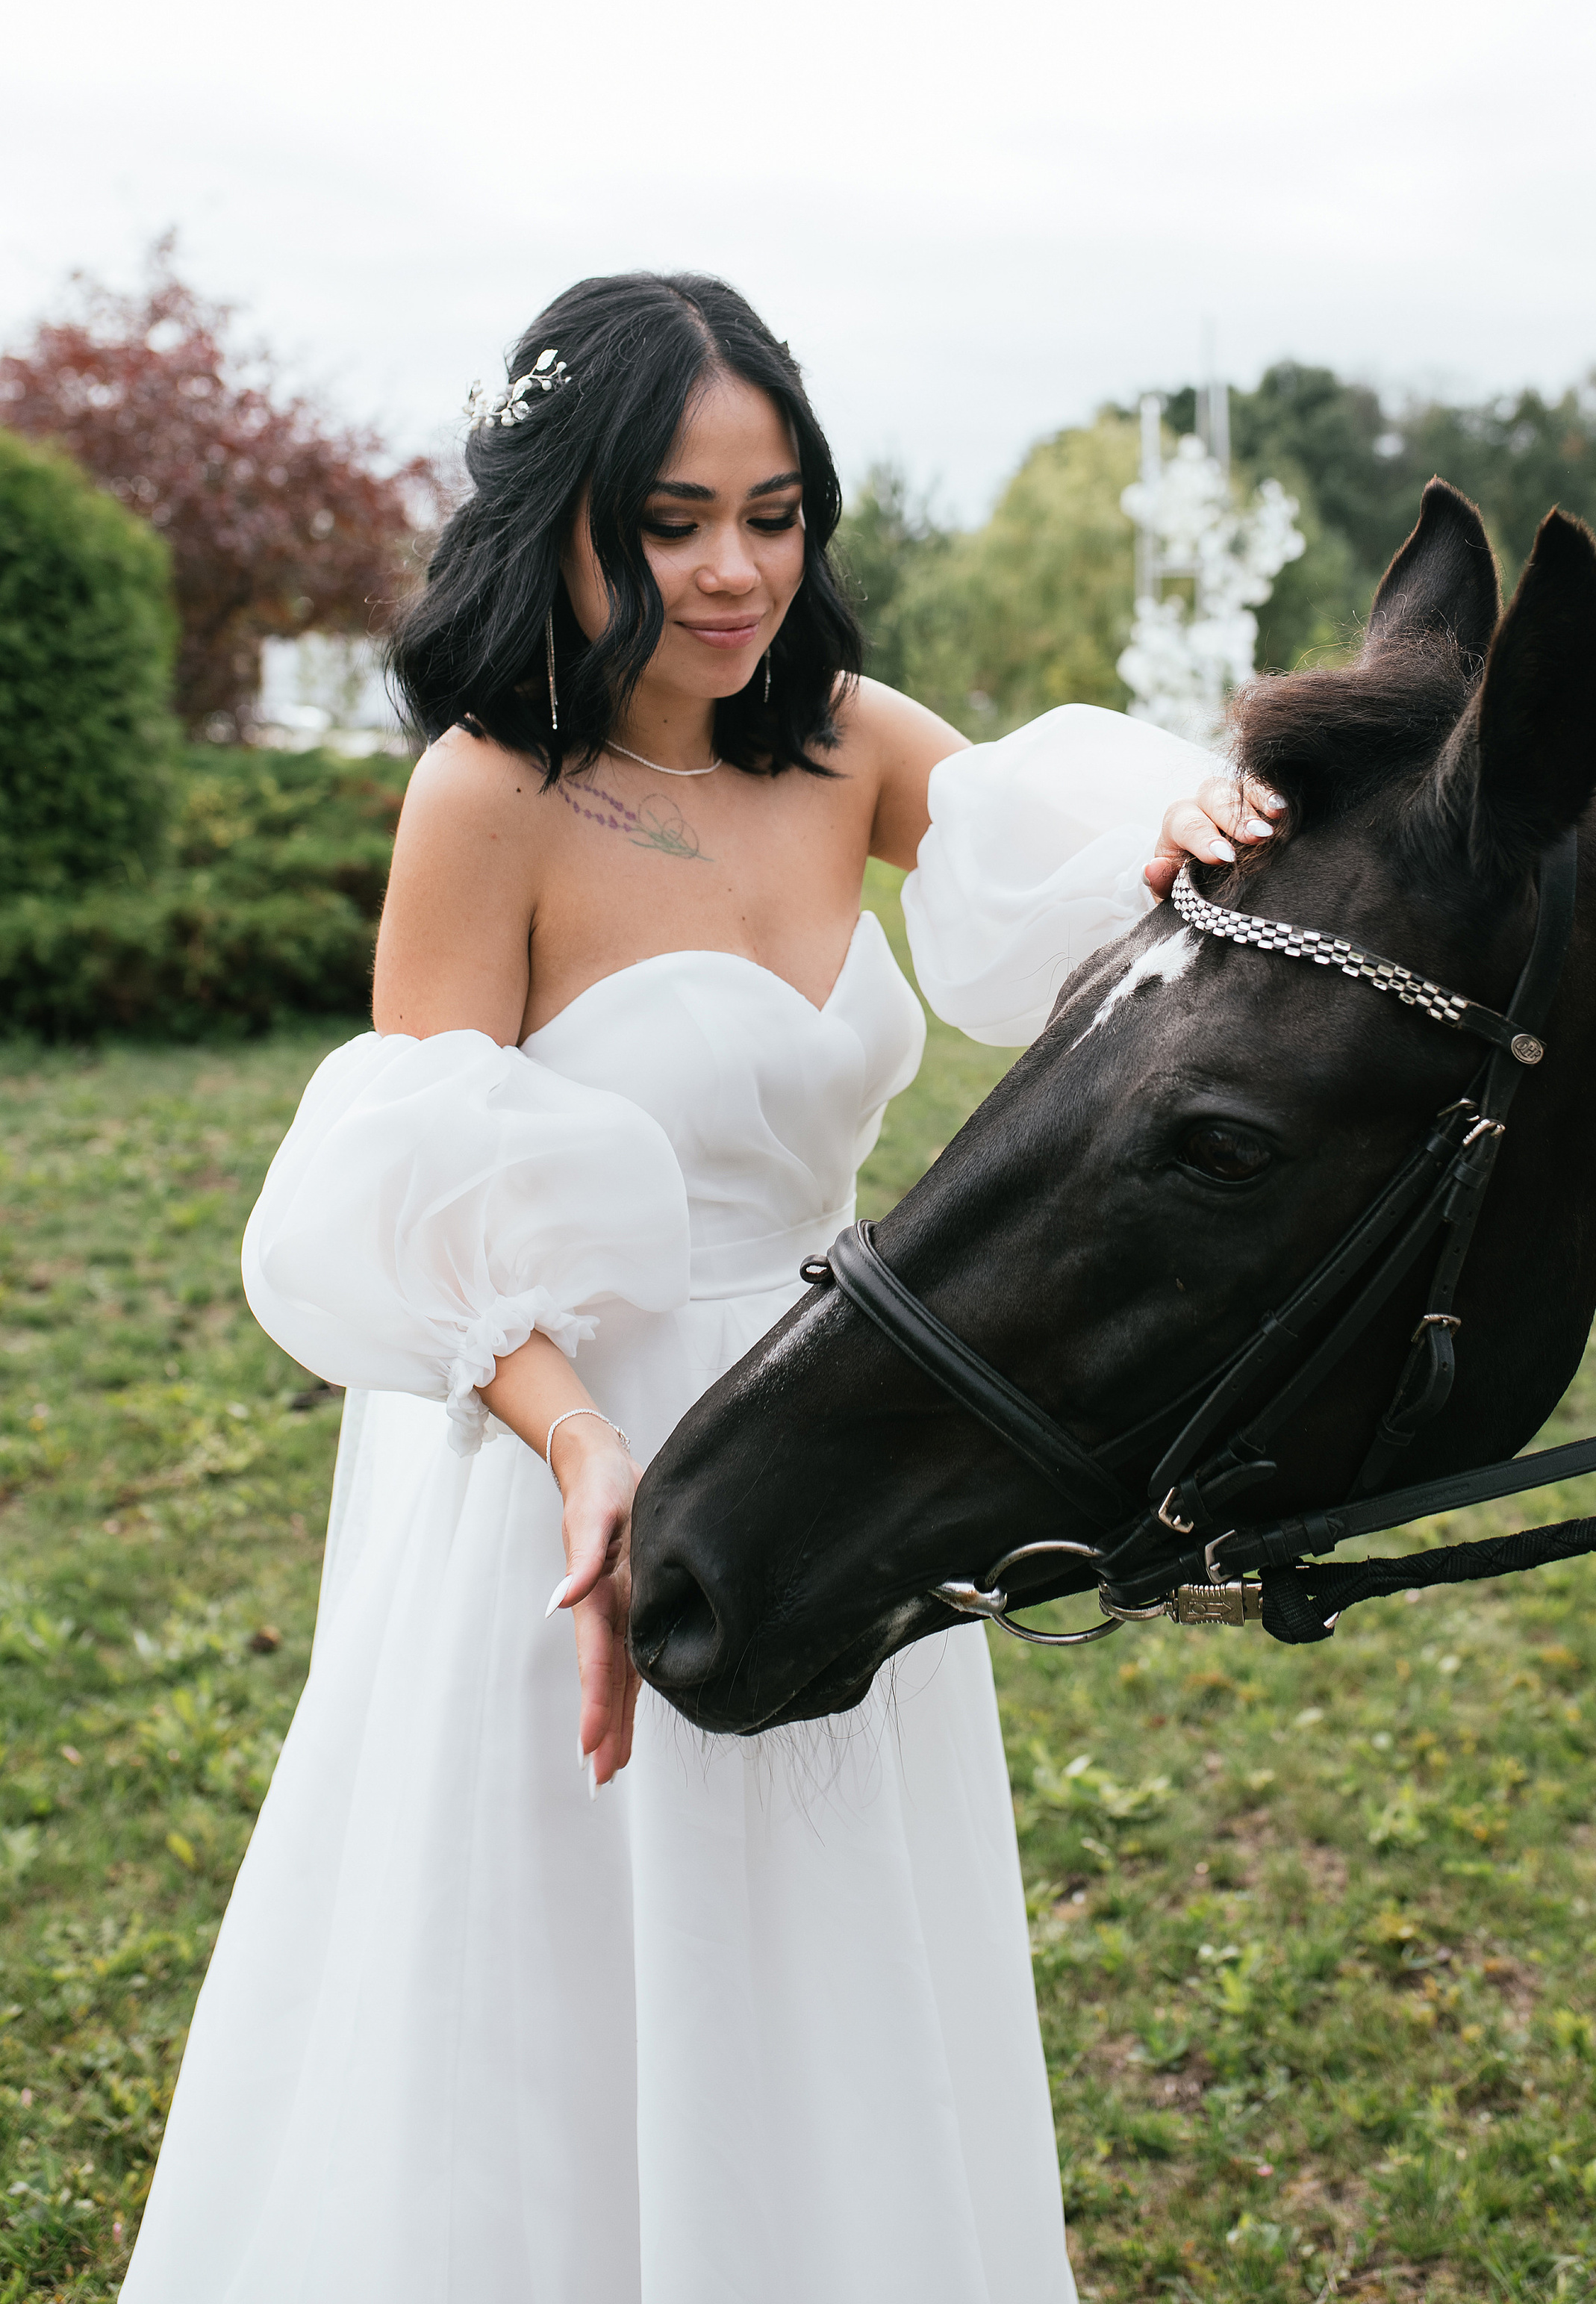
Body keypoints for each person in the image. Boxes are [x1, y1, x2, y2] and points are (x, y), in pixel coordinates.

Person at [121, 273, 1270, 2304]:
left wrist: (1187, 820)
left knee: (830, 1940)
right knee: (552, 1976)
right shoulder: (492, 798)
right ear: (559, 514)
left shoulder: (847, 748)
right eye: (670, 519)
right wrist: (580, 1453)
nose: (735, 570)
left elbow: (1078, 864)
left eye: (776, 509)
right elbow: (414, 1205)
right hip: (566, 1443)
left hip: (834, 1422)